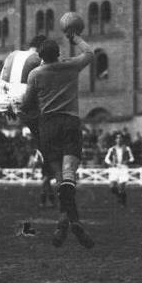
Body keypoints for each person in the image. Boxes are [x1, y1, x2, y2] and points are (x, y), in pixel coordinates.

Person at [21, 28, 95, 249]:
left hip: (48, 126)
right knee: (69, 174)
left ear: (41, 57)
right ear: (58, 52)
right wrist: (76, 38)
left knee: (58, 177)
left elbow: (26, 105)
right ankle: (71, 220)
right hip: (70, 122)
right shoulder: (71, 65)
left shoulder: (35, 75)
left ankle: (67, 220)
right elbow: (90, 54)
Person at [104, 134, 134, 206]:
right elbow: (106, 159)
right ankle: (120, 196)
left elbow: (132, 158)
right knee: (112, 187)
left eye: (120, 138)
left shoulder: (127, 148)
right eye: (117, 138)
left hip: (123, 168)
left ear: (122, 140)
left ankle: (123, 201)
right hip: (114, 168)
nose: (119, 139)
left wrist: (127, 161)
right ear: (115, 140)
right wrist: (111, 163)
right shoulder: (112, 149)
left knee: (121, 186)